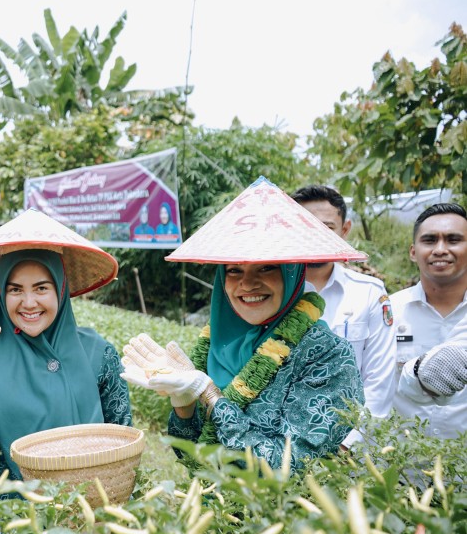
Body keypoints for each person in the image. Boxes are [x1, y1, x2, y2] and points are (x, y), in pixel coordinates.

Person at [122, 177, 365, 471]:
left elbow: (287, 466)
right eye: (234, 270)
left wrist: (209, 393)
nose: (247, 284)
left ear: (292, 272)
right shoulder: (217, 343)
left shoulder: (328, 357)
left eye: (266, 267)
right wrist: (184, 402)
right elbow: (191, 457)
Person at [0, 209, 131, 481]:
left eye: (42, 288)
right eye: (15, 289)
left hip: (94, 505)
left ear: (61, 290)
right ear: (0, 293)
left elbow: (124, 445)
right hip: (15, 510)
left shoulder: (100, 354)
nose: (28, 302)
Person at [290, 185, 396, 447]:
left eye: (327, 228)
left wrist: (348, 446)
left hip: (349, 449)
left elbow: (378, 383)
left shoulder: (369, 294)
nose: (315, 237)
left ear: (345, 230)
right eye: (304, 227)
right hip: (281, 444)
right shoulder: (271, 294)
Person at [392, 203, 467, 439]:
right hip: (400, 466)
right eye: (430, 240)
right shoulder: (388, 312)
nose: (440, 249)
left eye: (453, 240)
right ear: (413, 252)